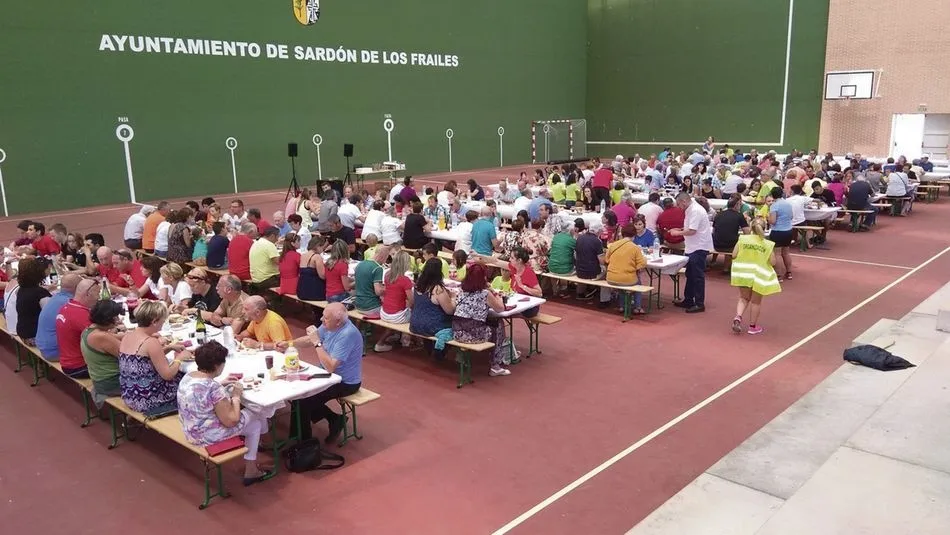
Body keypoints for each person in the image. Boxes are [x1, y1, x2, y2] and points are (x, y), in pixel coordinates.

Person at [177, 340, 270, 484]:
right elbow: (231, 420)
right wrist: (236, 397)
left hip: (190, 430)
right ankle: (252, 468)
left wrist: (221, 383)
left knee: (254, 425)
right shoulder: (213, 388)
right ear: (216, 365)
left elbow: (202, 392)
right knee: (257, 413)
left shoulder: (188, 376)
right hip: (207, 436)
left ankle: (258, 446)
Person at [284, 303, 363, 443]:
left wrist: (317, 343)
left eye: (325, 318)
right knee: (299, 395)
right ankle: (334, 419)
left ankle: (303, 443)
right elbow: (310, 339)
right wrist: (289, 344)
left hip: (345, 382)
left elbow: (330, 366)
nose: (321, 320)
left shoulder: (347, 334)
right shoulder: (329, 325)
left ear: (338, 321)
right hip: (327, 375)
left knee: (303, 402)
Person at [119, 300, 191, 413]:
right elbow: (167, 375)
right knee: (189, 381)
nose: (163, 323)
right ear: (154, 321)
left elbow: (144, 359)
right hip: (149, 399)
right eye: (163, 321)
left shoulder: (127, 336)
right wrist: (179, 358)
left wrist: (169, 348)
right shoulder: (150, 342)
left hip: (130, 395)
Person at [452, 263, 511, 376]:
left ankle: (460, 356)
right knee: (498, 324)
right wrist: (497, 295)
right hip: (474, 335)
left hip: (457, 332)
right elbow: (500, 309)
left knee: (477, 323)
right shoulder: (485, 294)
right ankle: (495, 364)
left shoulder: (461, 291)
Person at [731, 217, 781, 335]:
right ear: (764, 228)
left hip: (743, 273)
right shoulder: (767, 244)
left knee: (743, 298)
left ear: (751, 227)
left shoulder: (743, 239)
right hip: (759, 275)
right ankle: (752, 327)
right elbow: (773, 262)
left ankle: (738, 317)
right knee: (755, 302)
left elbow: (733, 255)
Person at [669, 192, 713, 313]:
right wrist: (680, 229)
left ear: (683, 202)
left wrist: (677, 233)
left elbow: (692, 230)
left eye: (679, 204)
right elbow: (690, 227)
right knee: (690, 274)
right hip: (693, 246)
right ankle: (688, 299)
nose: (679, 207)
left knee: (697, 276)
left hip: (698, 247)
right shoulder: (690, 209)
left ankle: (699, 303)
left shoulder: (695, 210)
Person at [410, 258, 456, 359]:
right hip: (432, 326)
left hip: (415, 323)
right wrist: (453, 298)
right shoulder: (437, 289)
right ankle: (440, 350)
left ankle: (429, 347)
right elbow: (450, 310)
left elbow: (412, 303)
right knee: (455, 325)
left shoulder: (417, 286)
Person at [82, 300, 126, 402]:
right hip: (111, 383)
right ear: (107, 319)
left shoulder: (89, 331)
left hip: (100, 380)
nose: (118, 319)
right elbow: (129, 357)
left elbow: (114, 336)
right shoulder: (101, 337)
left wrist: (137, 334)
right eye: (116, 317)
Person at [605, 224, 648, 315]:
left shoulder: (613, 245)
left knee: (621, 281)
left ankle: (622, 306)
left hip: (611, 277)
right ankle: (637, 307)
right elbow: (642, 264)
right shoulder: (635, 248)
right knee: (637, 282)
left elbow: (606, 259)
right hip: (626, 279)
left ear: (622, 234)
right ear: (634, 235)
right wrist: (636, 267)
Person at [36, 273, 81, 360]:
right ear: (77, 287)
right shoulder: (69, 303)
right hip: (54, 351)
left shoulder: (55, 298)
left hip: (44, 347)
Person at [377, 251, 415, 352]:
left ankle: (397, 335)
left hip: (384, 312)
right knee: (414, 312)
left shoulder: (387, 275)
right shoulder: (405, 280)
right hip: (396, 317)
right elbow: (411, 301)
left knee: (404, 307)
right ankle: (407, 341)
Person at [15, 257, 52, 344]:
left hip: (22, 331)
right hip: (33, 335)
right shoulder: (40, 293)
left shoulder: (20, 290)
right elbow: (50, 316)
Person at [712, 196, 750, 272]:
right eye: (739, 205)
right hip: (729, 245)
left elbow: (714, 230)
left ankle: (713, 260)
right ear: (736, 205)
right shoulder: (739, 215)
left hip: (716, 244)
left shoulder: (719, 214)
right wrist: (748, 221)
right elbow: (747, 233)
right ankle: (726, 267)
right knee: (734, 239)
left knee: (722, 235)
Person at [767, 186, 794, 279]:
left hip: (778, 231)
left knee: (777, 254)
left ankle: (779, 275)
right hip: (788, 230)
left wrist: (768, 218)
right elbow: (791, 216)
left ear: (772, 195)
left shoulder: (774, 205)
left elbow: (773, 221)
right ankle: (789, 272)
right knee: (786, 252)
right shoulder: (788, 204)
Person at [353, 245, 389, 316]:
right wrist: (389, 288)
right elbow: (378, 291)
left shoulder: (360, 264)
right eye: (386, 258)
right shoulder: (378, 268)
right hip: (371, 307)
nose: (385, 261)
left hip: (358, 304)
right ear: (383, 256)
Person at [509, 247, 542, 317]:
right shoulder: (514, 268)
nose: (509, 259)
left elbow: (539, 293)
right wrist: (484, 257)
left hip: (530, 307)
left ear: (519, 260)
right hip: (517, 301)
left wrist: (522, 286)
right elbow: (496, 262)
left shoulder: (528, 272)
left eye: (512, 258)